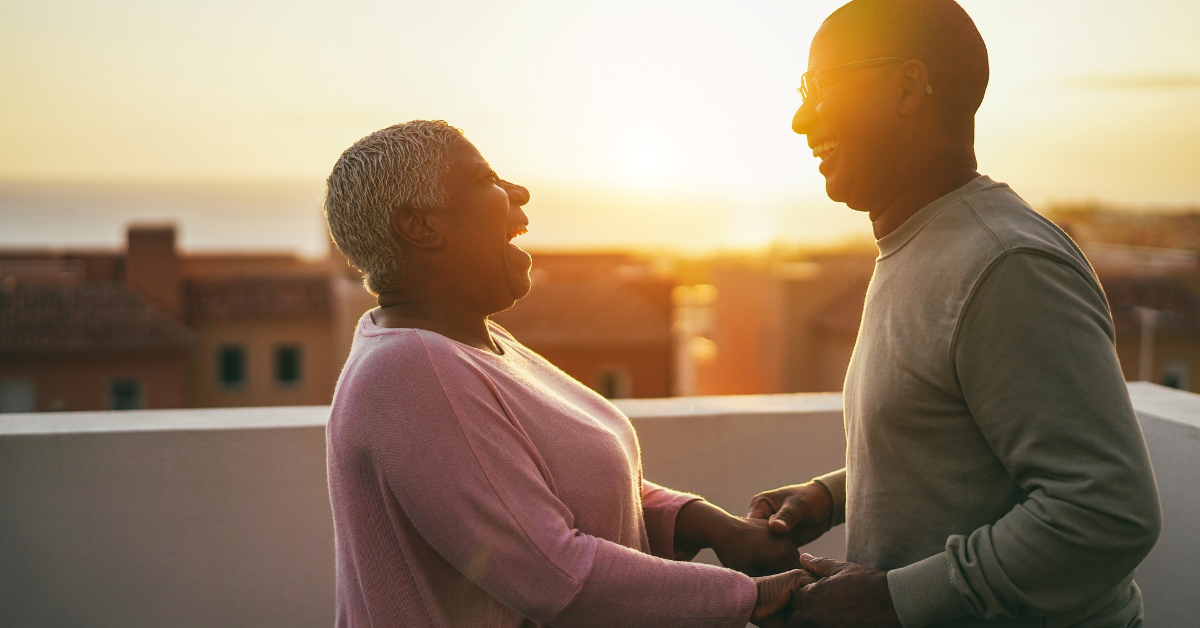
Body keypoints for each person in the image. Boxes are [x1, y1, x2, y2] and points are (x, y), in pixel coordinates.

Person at [749, 1, 1163, 627]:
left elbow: (1107, 511)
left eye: (821, 87)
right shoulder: (921, 245)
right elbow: (956, 442)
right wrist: (831, 496)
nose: (801, 119)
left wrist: (891, 600)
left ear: (908, 88)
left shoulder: (1004, 265)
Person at [323, 120, 815, 628]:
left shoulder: (475, 344)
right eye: (485, 179)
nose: (520, 193)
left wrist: (715, 526)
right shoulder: (412, 371)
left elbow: (573, 492)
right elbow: (554, 577)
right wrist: (751, 597)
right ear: (422, 226)